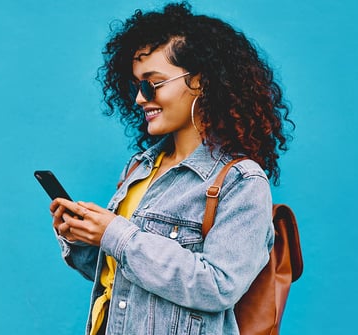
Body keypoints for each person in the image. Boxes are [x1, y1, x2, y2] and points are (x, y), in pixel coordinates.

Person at [49, 2, 293, 334]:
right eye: (136, 85)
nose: (139, 98)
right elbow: (122, 273)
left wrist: (116, 235)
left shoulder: (241, 181)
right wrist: (83, 238)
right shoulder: (140, 168)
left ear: (201, 82)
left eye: (152, 83)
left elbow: (218, 286)